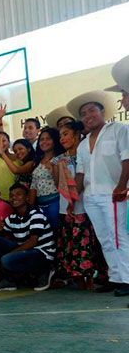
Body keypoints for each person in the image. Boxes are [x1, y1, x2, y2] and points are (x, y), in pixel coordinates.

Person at [69, 90, 129, 296]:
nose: (88, 116)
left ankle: (127, 279)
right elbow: (80, 173)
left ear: (102, 111)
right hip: (91, 197)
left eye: (92, 110)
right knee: (104, 238)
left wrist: (122, 186)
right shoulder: (83, 144)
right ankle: (115, 277)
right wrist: (73, 199)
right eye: (83, 113)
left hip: (113, 193)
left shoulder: (118, 130)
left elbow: (127, 159)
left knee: (118, 236)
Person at [51, 121, 107, 290]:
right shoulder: (58, 160)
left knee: (90, 242)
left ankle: (96, 275)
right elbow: (57, 184)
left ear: (77, 135)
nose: (62, 138)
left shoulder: (89, 154)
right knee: (72, 243)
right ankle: (77, 277)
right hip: (67, 208)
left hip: (88, 205)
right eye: (60, 135)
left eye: (66, 134)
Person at [0, 184, 56, 292]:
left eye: (18, 194)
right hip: (26, 251)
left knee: (7, 259)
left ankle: (44, 271)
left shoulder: (35, 214)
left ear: (27, 197)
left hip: (42, 253)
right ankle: (9, 280)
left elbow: (33, 242)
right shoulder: (13, 218)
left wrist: (12, 253)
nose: (14, 197)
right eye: (11, 195)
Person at [29, 128, 65, 229]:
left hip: (55, 202)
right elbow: (34, 184)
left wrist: (53, 169)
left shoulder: (60, 158)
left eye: (48, 139)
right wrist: (31, 206)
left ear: (55, 141)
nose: (44, 142)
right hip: (40, 204)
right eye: (42, 139)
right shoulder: (38, 160)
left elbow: (62, 183)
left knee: (56, 231)